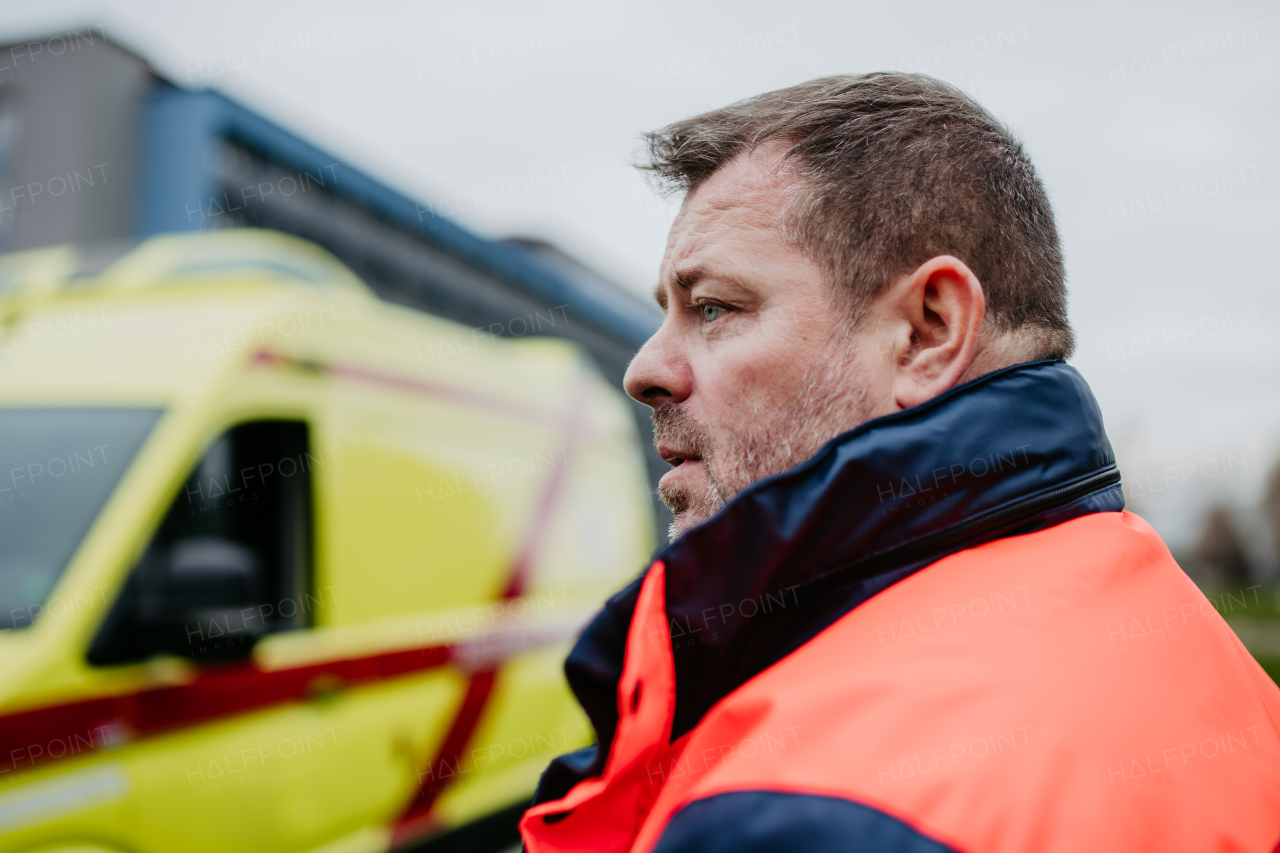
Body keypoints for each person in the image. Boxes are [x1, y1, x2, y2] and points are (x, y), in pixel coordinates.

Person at [519, 73, 1280, 852]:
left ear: (927, 332)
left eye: (713, 307)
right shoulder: (1211, 670)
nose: (643, 371)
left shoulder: (806, 812)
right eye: (666, 314)